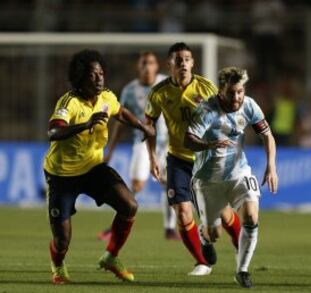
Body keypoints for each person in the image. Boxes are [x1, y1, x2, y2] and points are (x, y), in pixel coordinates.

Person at [43, 49, 155, 284]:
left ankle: (111, 257)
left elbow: (121, 112)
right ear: (81, 77)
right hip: (62, 175)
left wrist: (142, 127)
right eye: (93, 75)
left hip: (93, 168)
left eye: (101, 73)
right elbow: (53, 131)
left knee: (129, 205)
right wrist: (85, 125)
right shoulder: (69, 102)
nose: (99, 78)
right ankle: (58, 265)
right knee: (62, 240)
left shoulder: (106, 97)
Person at [145, 42, 241, 276]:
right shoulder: (159, 93)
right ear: (170, 64)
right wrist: (151, 158)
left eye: (187, 59)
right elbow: (149, 125)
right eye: (178, 60)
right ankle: (202, 263)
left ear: (193, 63)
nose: (183, 63)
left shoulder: (206, 88)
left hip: (206, 160)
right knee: (182, 211)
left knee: (223, 216)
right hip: (177, 159)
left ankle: (242, 249)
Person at [184, 67, 278, 288]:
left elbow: (267, 135)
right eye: (231, 92)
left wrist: (271, 166)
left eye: (240, 91)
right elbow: (188, 140)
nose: (236, 97)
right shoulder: (206, 110)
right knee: (214, 232)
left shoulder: (249, 105)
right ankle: (205, 235)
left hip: (239, 172)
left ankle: (242, 270)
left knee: (251, 216)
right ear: (221, 90)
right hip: (207, 180)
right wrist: (209, 144)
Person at [99, 51, 179, 241]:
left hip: (167, 144)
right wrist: (110, 150)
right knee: (136, 184)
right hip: (142, 143)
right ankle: (115, 226)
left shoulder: (167, 85)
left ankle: (170, 229)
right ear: (138, 67)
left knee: (171, 186)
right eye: (143, 63)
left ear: (156, 66)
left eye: (150, 63)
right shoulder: (129, 90)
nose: (147, 67)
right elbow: (119, 121)